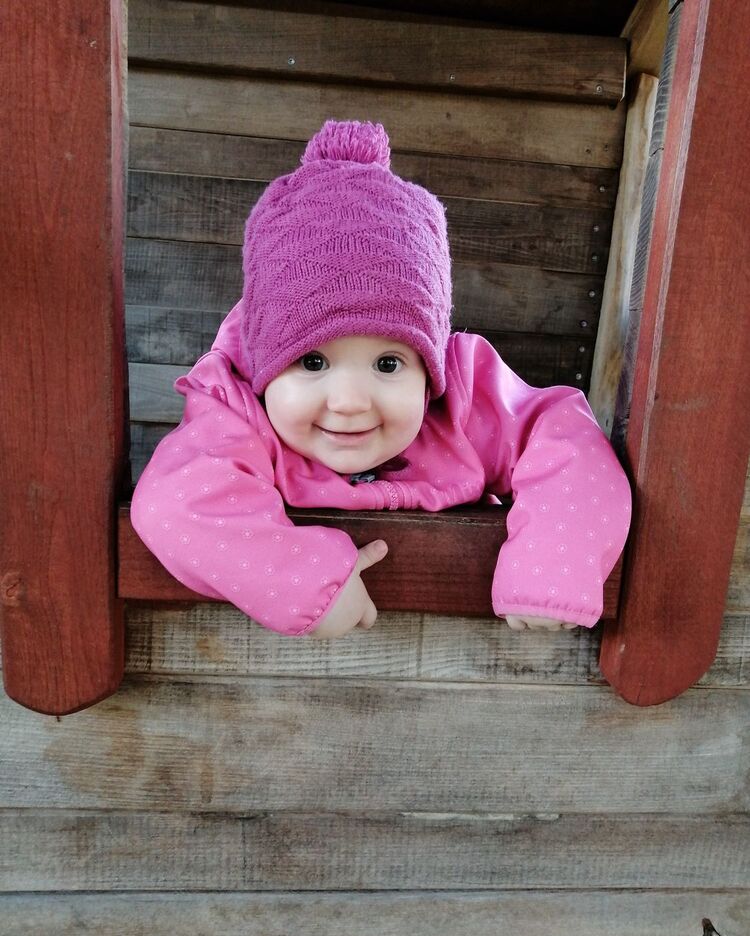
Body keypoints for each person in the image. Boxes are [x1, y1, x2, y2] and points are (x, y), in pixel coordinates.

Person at [130, 119, 631, 640]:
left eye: (388, 364)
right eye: (312, 362)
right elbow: (174, 505)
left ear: (430, 370)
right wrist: (304, 581)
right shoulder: (239, 414)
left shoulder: (463, 402)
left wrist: (553, 561)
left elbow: (564, 439)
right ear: (263, 364)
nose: (349, 402)